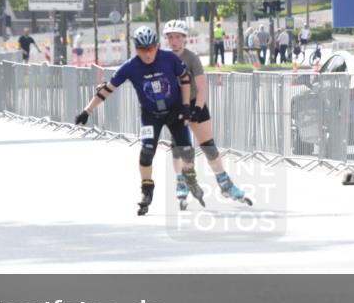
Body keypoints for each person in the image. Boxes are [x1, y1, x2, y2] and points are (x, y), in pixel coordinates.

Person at [73, 26, 203, 216]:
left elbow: (185, 79)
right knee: (146, 153)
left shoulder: (169, 58)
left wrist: (185, 105)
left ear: (157, 46)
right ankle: (146, 191)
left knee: (186, 151)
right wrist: (87, 110)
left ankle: (191, 178)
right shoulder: (131, 66)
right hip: (151, 115)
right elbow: (108, 89)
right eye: (143, 50)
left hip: (175, 112)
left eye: (151, 49)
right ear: (136, 49)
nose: (148, 54)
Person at [162, 19, 251, 207]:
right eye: (170, 37)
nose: (174, 41)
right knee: (178, 148)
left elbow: (202, 86)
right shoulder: (162, 59)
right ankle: (181, 182)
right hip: (176, 107)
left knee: (208, 147)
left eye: (177, 37)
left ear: (184, 39)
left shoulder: (191, 58)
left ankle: (225, 183)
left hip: (195, 103)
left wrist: (196, 110)